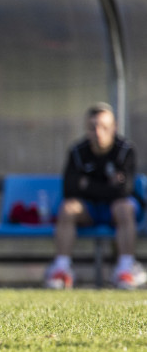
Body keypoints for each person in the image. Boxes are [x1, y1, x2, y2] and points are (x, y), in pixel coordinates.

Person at [44, 103, 146, 289]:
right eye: (93, 127)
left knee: (124, 207)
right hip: (89, 210)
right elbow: (69, 189)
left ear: (114, 128)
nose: (98, 132)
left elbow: (125, 190)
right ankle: (61, 269)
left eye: (104, 127)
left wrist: (87, 185)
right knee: (67, 208)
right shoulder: (77, 152)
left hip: (115, 210)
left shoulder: (125, 150)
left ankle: (125, 270)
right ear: (87, 129)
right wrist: (109, 186)